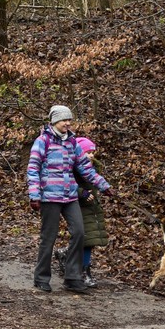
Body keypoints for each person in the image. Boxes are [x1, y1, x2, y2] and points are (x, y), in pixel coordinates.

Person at [27, 105, 113, 293]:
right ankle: (41, 277)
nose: (67, 123)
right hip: (49, 196)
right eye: (64, 120)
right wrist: (34, 195)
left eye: (69, 120)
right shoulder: (43, 141)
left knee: (80, 233)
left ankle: (73, 277)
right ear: (54, 121)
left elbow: (85, 168)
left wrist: (103, 185)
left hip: (69, 195)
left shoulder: (72, 142)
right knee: (48, 238)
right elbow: (33, 168)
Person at [74, 137, 109, 287]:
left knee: (89, 240)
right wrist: (82, 192)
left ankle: (65, 254)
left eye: (93, 152)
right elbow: (68, 184)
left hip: (92, 208)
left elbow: (97, 182)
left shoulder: (93, 170)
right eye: (88, 152)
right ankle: (84, 272)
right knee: (86, 240)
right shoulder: (73, 169)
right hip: (79, 206)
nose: (91, 156)